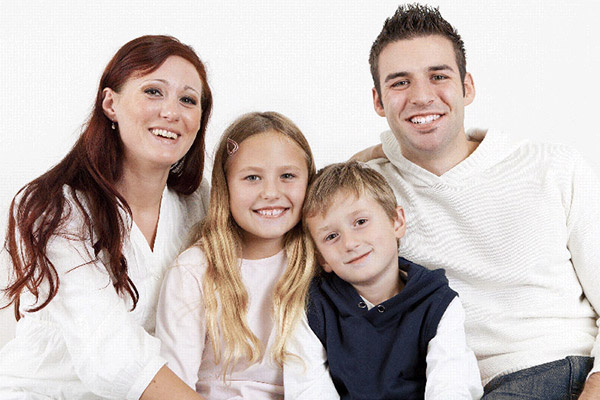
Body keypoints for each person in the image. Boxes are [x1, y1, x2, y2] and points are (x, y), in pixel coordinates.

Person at [356, 4, 600, 399]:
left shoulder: (552, 166)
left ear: (467, 87)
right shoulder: (369, 193)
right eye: (400, 83)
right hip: (455, 386)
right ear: (379, 101)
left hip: (561, 368)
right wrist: (373, 156)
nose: (421, 96)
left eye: (438, 76)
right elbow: (305, 200)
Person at [0, 35, 212, 399]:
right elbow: (112, 356)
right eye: (153, 92)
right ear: (110, 104)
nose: (172, 112)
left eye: (188, 100)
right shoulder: (56, 208)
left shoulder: (199, 203)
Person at [155, 111, 338, 399]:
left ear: (309, 182)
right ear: (225, 186)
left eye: (287, 176)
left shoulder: (322, 260)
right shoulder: (194, 270)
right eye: (252, 177)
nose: (270, 192)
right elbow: (174, 384)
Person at [284, 161, 482, 399]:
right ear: (322, 258)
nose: (350, 243)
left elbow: (451, 385)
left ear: (397, 221)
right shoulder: (312, 307)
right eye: (332, 236)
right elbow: (308, 389)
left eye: (360, 222)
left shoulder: (437, 302)